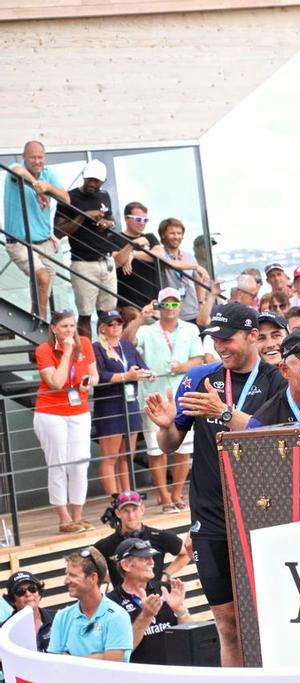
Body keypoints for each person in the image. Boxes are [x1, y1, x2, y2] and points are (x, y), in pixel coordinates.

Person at [143, 303, 285, 666]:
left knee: (272, 617)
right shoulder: (199, 378)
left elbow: (272, 435)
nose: (220, 346)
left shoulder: (276, 380)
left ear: (253, 335)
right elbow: (172, 443)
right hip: (211, 514)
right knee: (226, 623)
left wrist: (222, 412)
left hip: (263, 511)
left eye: (228, 338)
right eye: (214, 339)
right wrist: (165, 426)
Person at [134, 288, 205, 512]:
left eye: (175, 304)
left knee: (184, 449)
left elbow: (198, 359)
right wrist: (138, 318)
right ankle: (164, 498)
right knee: (156, 451)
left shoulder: (190, 328)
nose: (171, 308)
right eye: (166, 304)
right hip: (153, 398)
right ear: (159, 306)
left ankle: (176, 494)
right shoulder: (146, 330)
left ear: (180, 307)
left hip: (183, 396)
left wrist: (183, 367)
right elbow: (127, 342)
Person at [34, 310, 98, 533]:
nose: (70, 330)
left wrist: (87, 382)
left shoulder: (86, 343)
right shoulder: (43, 350)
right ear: (53, 328)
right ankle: (64, 518)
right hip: (51, 412)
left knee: (80, 464)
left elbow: (95, 375)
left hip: (79, 410)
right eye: (64, 326)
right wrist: (68, 352)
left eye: (72, 326)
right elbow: (56, 382)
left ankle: (78, 516)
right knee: (58, 464)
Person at [54, 159, 119, 338]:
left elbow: (111, 219)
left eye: (96, 181)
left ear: (102, 181)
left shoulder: (104, 195)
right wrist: (84, 216)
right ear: (83, 176)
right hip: (83, 262)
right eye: (89, 179)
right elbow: (59, 232)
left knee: (108, 313)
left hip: (106, 261)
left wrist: (108, 223)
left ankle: (107, 354)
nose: (92, 183)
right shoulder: (70, 198)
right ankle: (87, 357)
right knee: (85, 314)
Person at [3, 140, 68, 319]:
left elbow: (66, 199)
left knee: (43, 286)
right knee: (42, 277)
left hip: (45, 243)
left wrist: (47, 187)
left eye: (40, 157)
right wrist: (37, 186)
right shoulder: (15, 168)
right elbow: (18, 172)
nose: (37, 161)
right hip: (20, 243)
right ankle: (42, 323)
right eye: (32, 157)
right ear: (24, 157)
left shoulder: (48, 174)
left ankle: (36, 316)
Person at [91, 309, 152, 497]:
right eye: (111, 324)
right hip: (110, 405)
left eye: (119, 323)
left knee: (127, 455)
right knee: (110, 457)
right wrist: (126, 376)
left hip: (130, 402)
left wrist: (148, 373)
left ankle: (127, 495)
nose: (116, 327)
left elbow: (142, 365)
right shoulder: (97, 347)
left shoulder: (126, 345)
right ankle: (115, 500)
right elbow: (100, 376)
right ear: (102, 328)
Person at [107, 538, 192, 663]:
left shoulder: (165, 589)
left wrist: (180, 610)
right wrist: (145, 616)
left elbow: (190, 637)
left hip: (174, 672)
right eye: (143, 558)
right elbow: (122, 652)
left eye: (151, 557)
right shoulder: (111, 603)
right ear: (125, 565)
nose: (151, 562)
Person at [47, 546, 132, 662]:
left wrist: (70, 659)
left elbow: (113, 664)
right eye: (66, 575)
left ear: (93, 578)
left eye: (72, 575)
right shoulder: (62, 617)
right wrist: (102, 656)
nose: (65, 581)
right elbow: (53, 664)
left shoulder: (117, 616)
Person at [93, 490, 191, 591]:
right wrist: (111, 579)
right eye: (126, 511)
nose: (131, 516)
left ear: (142, 510)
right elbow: (84, 564)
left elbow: (187, 553)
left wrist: (166, 574)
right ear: (118, 513)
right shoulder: (106, 544)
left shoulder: (160, 536)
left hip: (156, 598)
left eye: (134, 509)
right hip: (122, 602)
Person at [113, 201, 162, 317]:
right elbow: (117, 261)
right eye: (139, 219)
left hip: (152, 301)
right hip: (127, 302)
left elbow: (160, 255)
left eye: (145, 220)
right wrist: (132, 244)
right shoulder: (115, 238)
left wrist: (133, 254)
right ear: (126, 218)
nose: (142, 223)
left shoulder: (149, 237)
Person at [158, 218, 208, 325]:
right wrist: (195, 266)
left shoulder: (189, 256)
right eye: (172, 233)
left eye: (179, 233)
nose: (176, 237)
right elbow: (171, 263)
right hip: (171, 314)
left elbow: (199, 281)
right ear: (163, 235)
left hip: (192, 312)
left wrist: (201, 303)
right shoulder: (159, 255)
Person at [1, 571, 55, 653]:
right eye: (20, 591)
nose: (28, 593)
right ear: (12, 600)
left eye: (32, 588)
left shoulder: (58, 618)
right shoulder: (4, 631)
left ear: (39, 593)